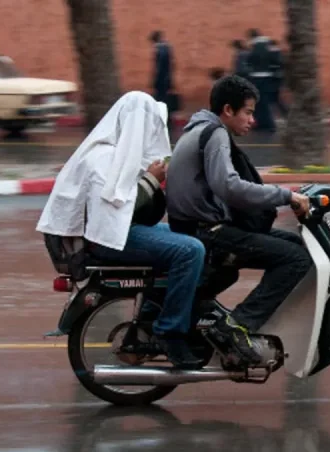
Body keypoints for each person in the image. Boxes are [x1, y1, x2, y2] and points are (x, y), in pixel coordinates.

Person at [36, 91, 206, 369]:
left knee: (195, 239)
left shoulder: (115, 153)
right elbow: (116, 209)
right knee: (190, 251)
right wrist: (151, 179)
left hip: (117, 232)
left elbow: (130, 208)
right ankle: (170, 331)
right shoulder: (103, 157)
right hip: (105, 240)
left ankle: (158, 311)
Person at [165, 75, 311, 366]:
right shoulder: (214, 134)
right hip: (207, 233)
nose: (252, 120)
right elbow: (228, 186)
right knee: (296, 258)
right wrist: (285, 196)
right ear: (228, 110)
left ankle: (202, 314)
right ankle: (236, 328)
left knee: (293, 243)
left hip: (200, 227)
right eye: (248, 112)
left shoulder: (198, 129)